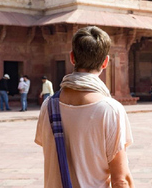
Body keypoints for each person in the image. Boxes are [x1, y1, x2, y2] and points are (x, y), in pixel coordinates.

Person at [35, 26, 134, 187]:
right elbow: (120, 179)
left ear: (72, 58)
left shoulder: (48, 105)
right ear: (105, 62)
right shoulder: (110, 109)